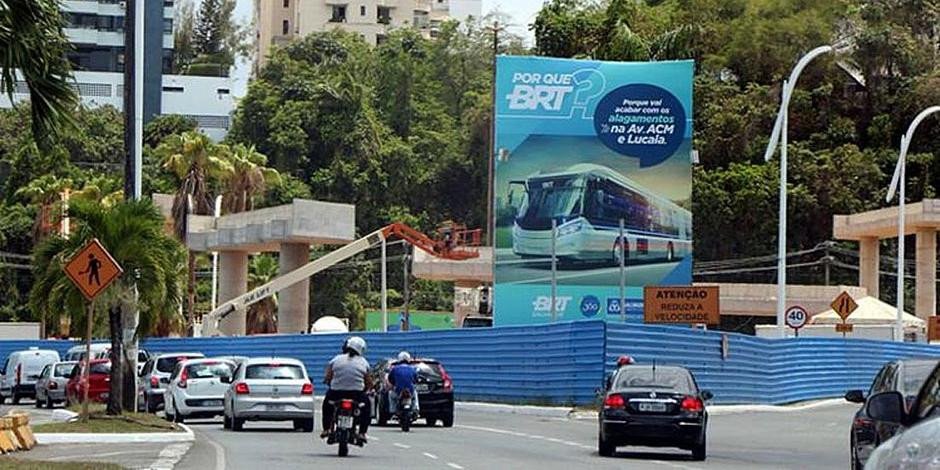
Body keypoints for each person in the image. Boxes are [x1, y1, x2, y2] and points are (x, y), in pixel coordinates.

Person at [321, 336, 372, 442]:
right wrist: (366, 390)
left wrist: (329, 383)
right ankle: (362, 433)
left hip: (336, 393)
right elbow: (368, 381)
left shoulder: (336, 359)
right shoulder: (364, 362)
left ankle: (326, 429)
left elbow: (328, 377)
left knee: (327, 406)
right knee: (367, 407)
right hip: (357, 394)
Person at [387, 351, 419, 417]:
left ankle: (393, 411)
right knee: (415, 394)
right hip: (410, 391)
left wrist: (394, 384)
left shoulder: (394, 369)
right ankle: (416, 408)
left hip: (398, 392)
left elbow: (390, 379)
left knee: (390, 394)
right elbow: (416, 380)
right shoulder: (412, 369)